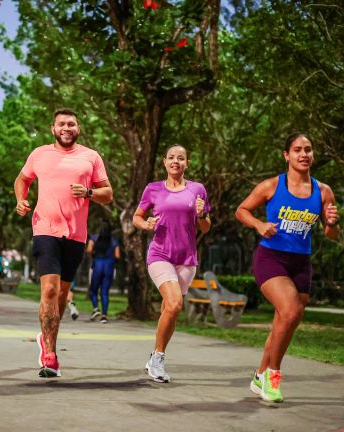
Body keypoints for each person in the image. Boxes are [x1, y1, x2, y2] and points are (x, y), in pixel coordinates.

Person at [236, 133, 339, 403]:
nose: (304, 154)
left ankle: (259, 375)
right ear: (286, 155)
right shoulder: (271, 186)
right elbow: (241, 211)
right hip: (271, 258)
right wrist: (259, 225)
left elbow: (331, 235)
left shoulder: (324, 191)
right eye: (297, 150)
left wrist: (331, 223)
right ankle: (273, 375)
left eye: (308, 149)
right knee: (290, 309)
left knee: (287, 319)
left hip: (301, 263)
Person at [14, 108, 113, 378]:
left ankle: (47, 341)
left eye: (71, 124)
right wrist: (21, 200)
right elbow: (22, 180)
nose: (66, 128)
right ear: (52, 128)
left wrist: (90, 192)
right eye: (61, 124)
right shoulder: (39, 154)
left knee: (60, 296)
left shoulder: (90, 157)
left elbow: (108, 194)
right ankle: (49, 355)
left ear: (78, 128)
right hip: (45, 228)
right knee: (49, 290)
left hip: (76, 235)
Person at [133, 145, 211, 383]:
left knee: (171, 308)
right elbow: (137, 216)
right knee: (175, 303)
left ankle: (155, 356)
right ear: (164, 162)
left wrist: (201, 215)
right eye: (171, 158)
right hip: (159, 254)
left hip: (186, 258)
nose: (175, 161)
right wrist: (145, 224)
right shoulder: (153, 189)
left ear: (187, 163)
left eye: (181, 158)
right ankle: (158, 359)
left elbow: (206, 227)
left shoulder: (197, 189)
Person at [86, 220, 120, 323]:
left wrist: (93, 257)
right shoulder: (114, 241)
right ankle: (104, 316)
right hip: (109, 266)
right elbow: (117, 255)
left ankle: (96, 308)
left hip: (97, 265)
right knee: (105, 292)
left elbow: (89, 250)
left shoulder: (94, 238)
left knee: (93, 290)